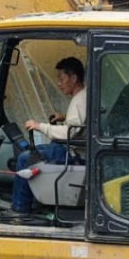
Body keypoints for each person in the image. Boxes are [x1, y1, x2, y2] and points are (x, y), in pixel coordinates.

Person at [11, 56, 86, 215]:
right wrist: (64, 117)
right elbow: (79, 122)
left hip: (73, 153)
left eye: (61, 79)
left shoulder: (79, 101)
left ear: (73, 78)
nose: (59, 83)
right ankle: (34, 199)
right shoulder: (84, 96)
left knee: (25, 158)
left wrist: (39, 126)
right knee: (34, 151)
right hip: (72, 148)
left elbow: (69, 132)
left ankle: (20, 210)